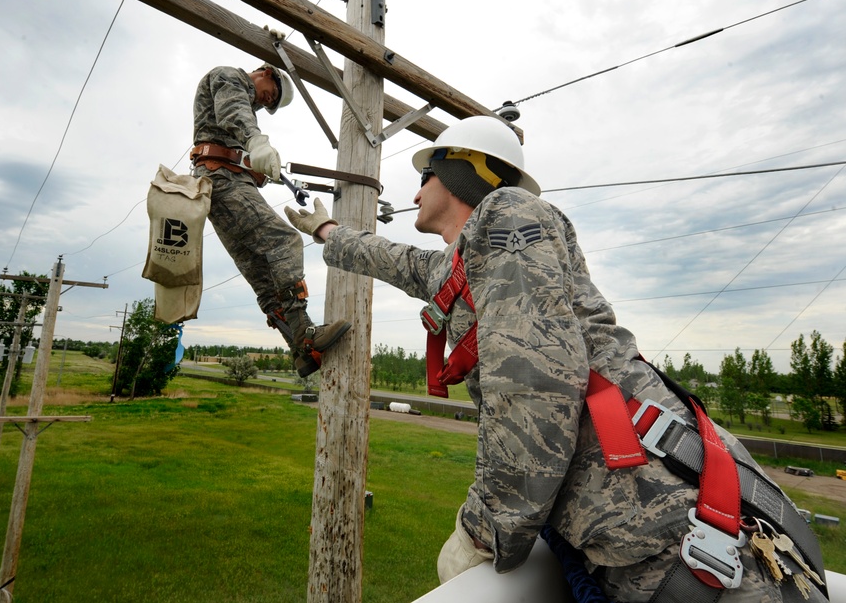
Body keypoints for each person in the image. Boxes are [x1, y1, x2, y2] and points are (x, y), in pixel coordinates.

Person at [284, 116, 827, 602]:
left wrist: (486, 528)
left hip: (684, 535)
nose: (417, 187)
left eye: (426, 173)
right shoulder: (463, 262)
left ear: (462, 172)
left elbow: (533, 382)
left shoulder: (509, 212)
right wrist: (324, 231)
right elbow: (392, 258)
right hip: (671, 531)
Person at [191, 64, 350, 377]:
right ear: (265, 72)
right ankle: (305, 331)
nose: (266, 102)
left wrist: (258, 168)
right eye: (271, 95)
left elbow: (231, 133)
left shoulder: (243, 112)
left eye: (270, 103)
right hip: (222, 178)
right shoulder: (230, 77)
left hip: (216, 182)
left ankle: (299, 349)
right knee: (285, 240)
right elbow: (233, 111)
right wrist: (255, 140)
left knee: (260, 269)